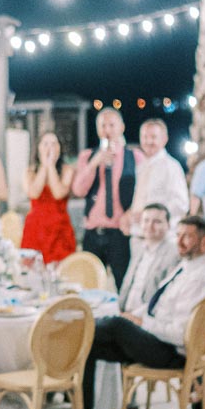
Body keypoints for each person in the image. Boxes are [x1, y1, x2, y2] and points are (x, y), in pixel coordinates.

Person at [48, 215, 205, 409]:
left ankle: (75, 330)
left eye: (187, 237)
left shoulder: (202, 276)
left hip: (175, 352)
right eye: (178, 235)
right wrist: (135, 316)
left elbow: (180, 334)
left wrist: (139, 323)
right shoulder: (189, 264)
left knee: (114, 326)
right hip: (159, 340)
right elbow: (156, 303)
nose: (180, 241)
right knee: (86, 344)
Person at [71, 107, 141, 289]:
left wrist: (132, 211)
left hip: (120, 232)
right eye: (103, 125)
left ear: (121, 127)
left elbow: (143, 191)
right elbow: (78, 190)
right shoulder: (87, 156)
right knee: (89, 285)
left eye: (111, 125)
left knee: (123, 284)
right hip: (94, 231)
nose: (107, 130)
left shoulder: (134, 156)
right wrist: (95, 163)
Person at [121, 118, 189, 236]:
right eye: (145, 137)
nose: (148, 141)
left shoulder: (171, 167)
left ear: (164, 139)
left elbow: (181, 204)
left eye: (153, 137)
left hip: (162, 235)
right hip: (138, 233)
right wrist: (129, 214)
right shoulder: (141, 167)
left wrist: (151, 216)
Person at [20, 130, 75, 262]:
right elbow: (33, 193)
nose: (50, 147)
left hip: (59, 227)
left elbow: (58, 193)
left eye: (54, 144)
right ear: (38, 148)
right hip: (36, 226)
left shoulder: (67, 170)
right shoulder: (30, 171)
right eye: (45, 144)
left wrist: (51, 167)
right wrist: (44, 166)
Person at [119, 204, 180, 314]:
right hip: (125, 311)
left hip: (147, 318)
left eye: (157, 222)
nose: (150, 226)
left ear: (169, 225)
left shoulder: (174, 254)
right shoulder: (137, 247)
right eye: (146, 220)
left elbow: (167, 298)